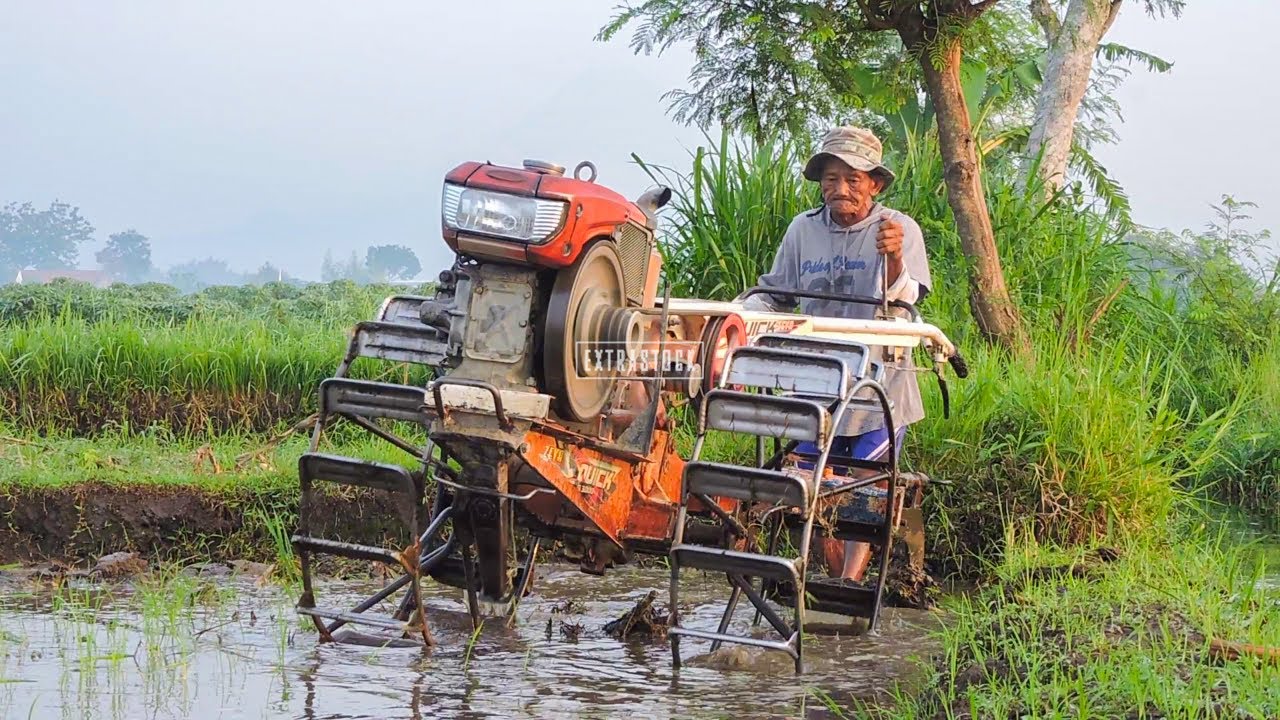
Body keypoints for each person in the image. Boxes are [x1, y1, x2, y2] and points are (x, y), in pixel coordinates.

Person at [742, 125, 931, 582]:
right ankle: (821, 581)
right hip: (818, 383)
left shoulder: (898, 229)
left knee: (864, 494)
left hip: (879, 388)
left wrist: (894, 260)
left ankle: (849, 584)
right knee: (811, 487)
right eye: (831, 178)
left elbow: (907, 302)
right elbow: (775, 293)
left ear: (875, 184)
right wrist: (737, 319)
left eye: (853, 179)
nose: (840, 189)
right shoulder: (803, 230)